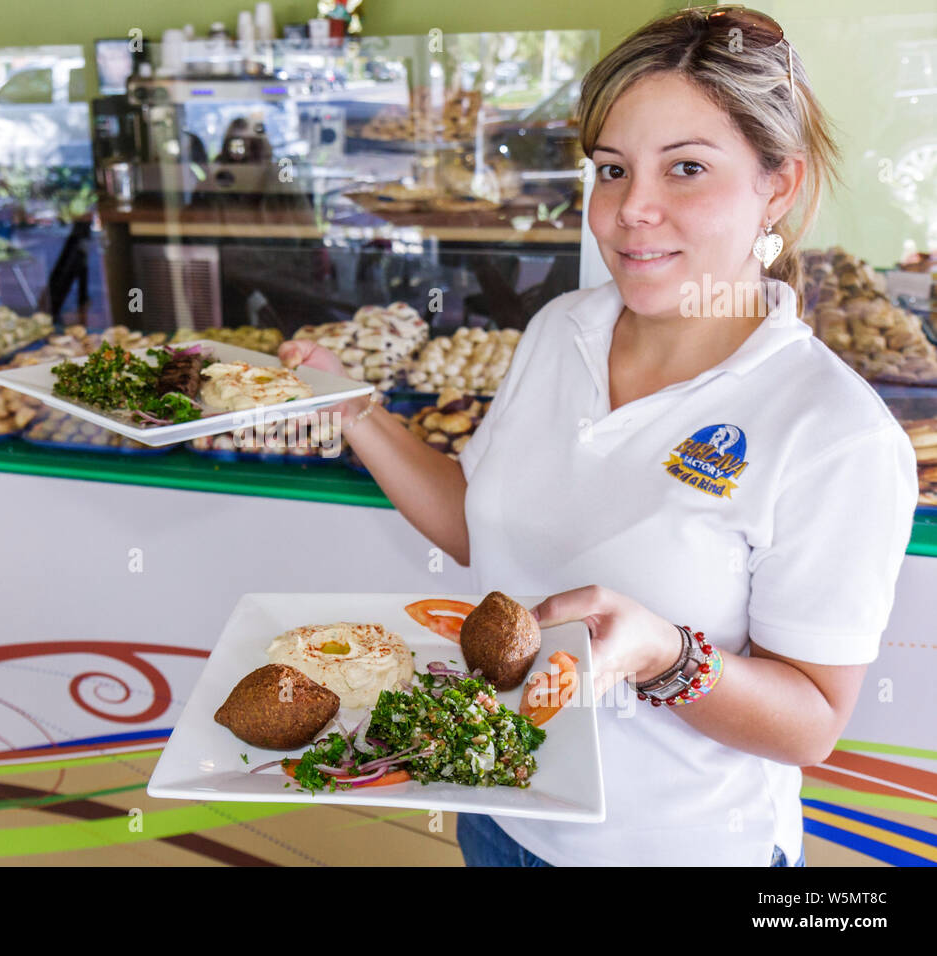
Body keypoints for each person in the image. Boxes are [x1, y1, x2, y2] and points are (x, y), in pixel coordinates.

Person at [281, 6, 918, 867]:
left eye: (686, 168)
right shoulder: (562, 328)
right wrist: (353, 406)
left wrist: (665, 656)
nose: (630, 212)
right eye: (612, 170)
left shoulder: (835, 433)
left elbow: (811, 725)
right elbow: (484, 522)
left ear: (779, 184)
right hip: (500, 813)